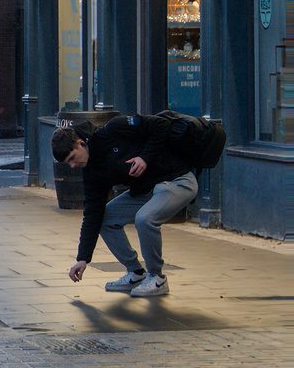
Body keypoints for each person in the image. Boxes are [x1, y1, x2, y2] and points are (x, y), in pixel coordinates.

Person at [53, 114, 199, 298]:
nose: (73, 165)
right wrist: (83, 258)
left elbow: (162, 124)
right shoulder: (92, 172)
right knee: (106, 220)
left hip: (177, 180)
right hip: (146, 191)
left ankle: (157, 277)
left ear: (81, 143)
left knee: (145, 219)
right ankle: (136, 273)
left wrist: (144, 158)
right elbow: (92, 214)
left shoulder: (114, 128)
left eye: (73, 158)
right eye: (69, 163)